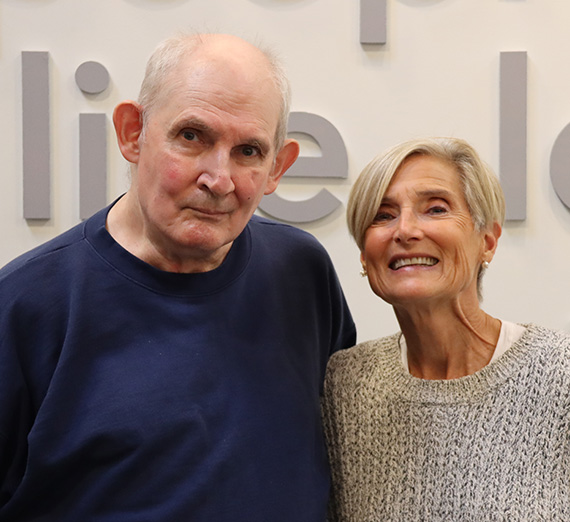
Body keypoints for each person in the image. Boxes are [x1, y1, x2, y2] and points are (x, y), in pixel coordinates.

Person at [0, 33, 356, 521]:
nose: (219, 179)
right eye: (192, 136)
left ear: (277, 167)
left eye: (248, 151)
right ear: (133, 132)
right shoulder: (24, 306)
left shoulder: (301, 273)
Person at [321, 137, 570, 521]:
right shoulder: (345, 385)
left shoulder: (560, 375)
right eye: (383, 215)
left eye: (435, 209)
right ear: (364, 256)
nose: (405, 230)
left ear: (487, 242)